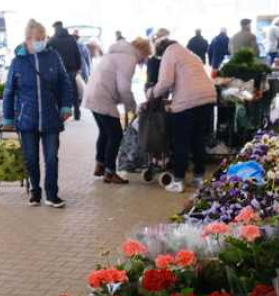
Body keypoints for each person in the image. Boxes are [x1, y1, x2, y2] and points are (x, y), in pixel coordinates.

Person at [3, 19, 73, 208]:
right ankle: (35, 192)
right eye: (38, 38)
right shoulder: (18, 62)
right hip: (27, 119)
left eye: (44, 38)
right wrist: (8, 118)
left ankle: (52, 194)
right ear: (28, 40)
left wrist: (67, 106)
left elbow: (64, 83)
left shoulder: (53, 57)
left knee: (51, 158)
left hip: (51, 117)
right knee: (31, 158)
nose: (42, 41)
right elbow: (9, 91)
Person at [146, 38, 218, 193]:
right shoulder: (189, 54)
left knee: (181, 141)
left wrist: (151, 94)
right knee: (198, 139)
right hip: (208, 98)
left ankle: (178, 181)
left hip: (188, 101)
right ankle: (199, 177)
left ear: (161, 49)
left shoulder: (170, 53)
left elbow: (165, 81)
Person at [84, 37, 151, 184]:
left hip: (92, 94)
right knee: (115, 135)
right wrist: (131, 107)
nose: (144, 61)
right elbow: (123, 87)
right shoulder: (129, 58)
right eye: (146, 56)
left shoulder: (115, 53)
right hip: (103, 97)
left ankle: (100, 164)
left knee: (105, 132)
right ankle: (109, 172)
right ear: (143, 51)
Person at [48, 21, 83, 120]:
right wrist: (78, 67)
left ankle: (61, 114)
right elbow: (77, 54)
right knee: (73, 91)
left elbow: (48, 55)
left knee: (59, 91)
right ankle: (77, 113)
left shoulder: (52, 40)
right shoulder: (72, 39)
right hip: (72, 69)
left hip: (58, 70)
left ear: (55, 28)